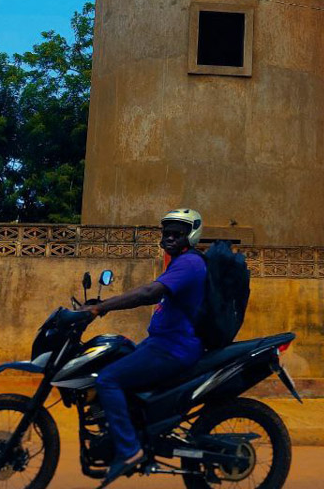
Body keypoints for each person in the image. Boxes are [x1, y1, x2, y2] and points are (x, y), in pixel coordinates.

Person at [83, 208, 207, 487]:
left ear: (191, 235)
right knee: (118, 356)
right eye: (167, 232)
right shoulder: (180, 262)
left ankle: (129, 450)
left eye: (178, 233)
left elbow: (149, 293)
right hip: (161, 343)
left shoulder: (189, 263)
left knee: (108, 379)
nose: (170, 237)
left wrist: (101, 307)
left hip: (173, 348)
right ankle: (135, 431)